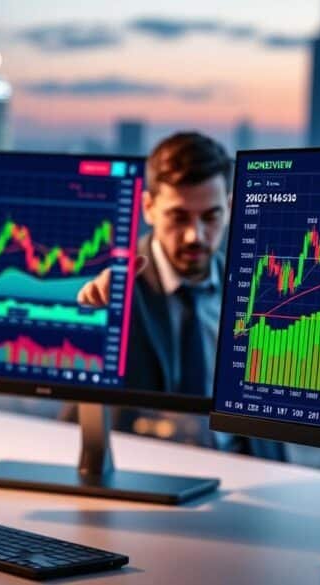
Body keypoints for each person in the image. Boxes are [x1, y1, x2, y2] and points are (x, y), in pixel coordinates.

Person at [77, 131, 285, 460]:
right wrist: (95, 314)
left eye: (211, 216)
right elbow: (82, 413)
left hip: (244, 468)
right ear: (148, 208)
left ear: (230, 208)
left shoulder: (257, 287)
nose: (195, 236)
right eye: (178, 216)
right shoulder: (119, 290)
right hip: (146, 474)